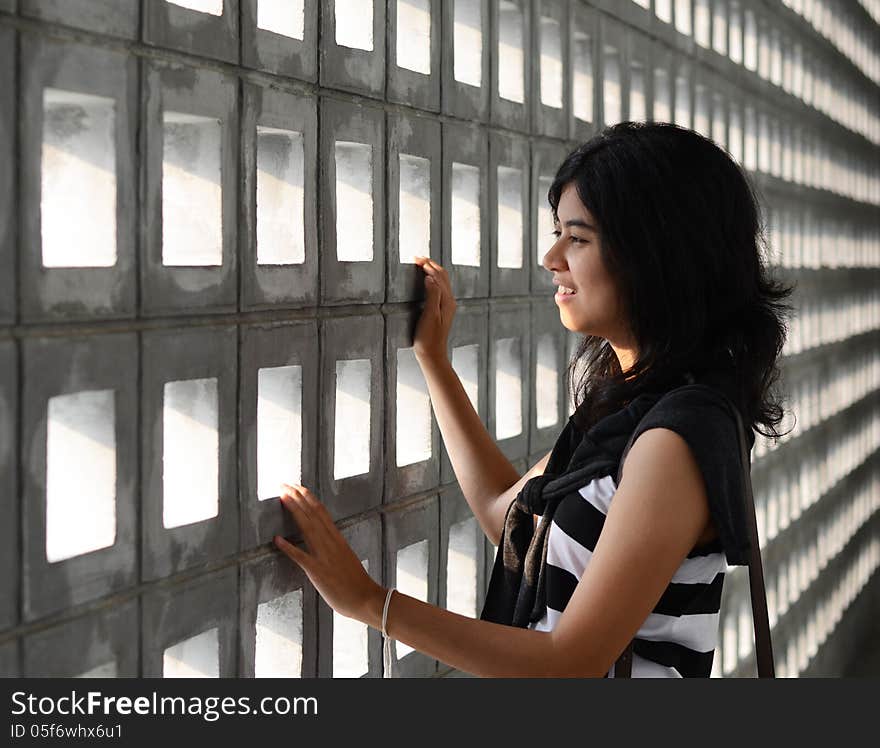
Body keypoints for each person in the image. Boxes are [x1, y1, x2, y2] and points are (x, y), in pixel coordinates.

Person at [273, 121, 795, 677]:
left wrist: (370, 602)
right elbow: (513, 518)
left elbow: (570, 662)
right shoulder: (628, 410)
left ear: (655, 255)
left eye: (578, 237)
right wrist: (434, 361)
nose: (551, 257)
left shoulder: (674, 440)